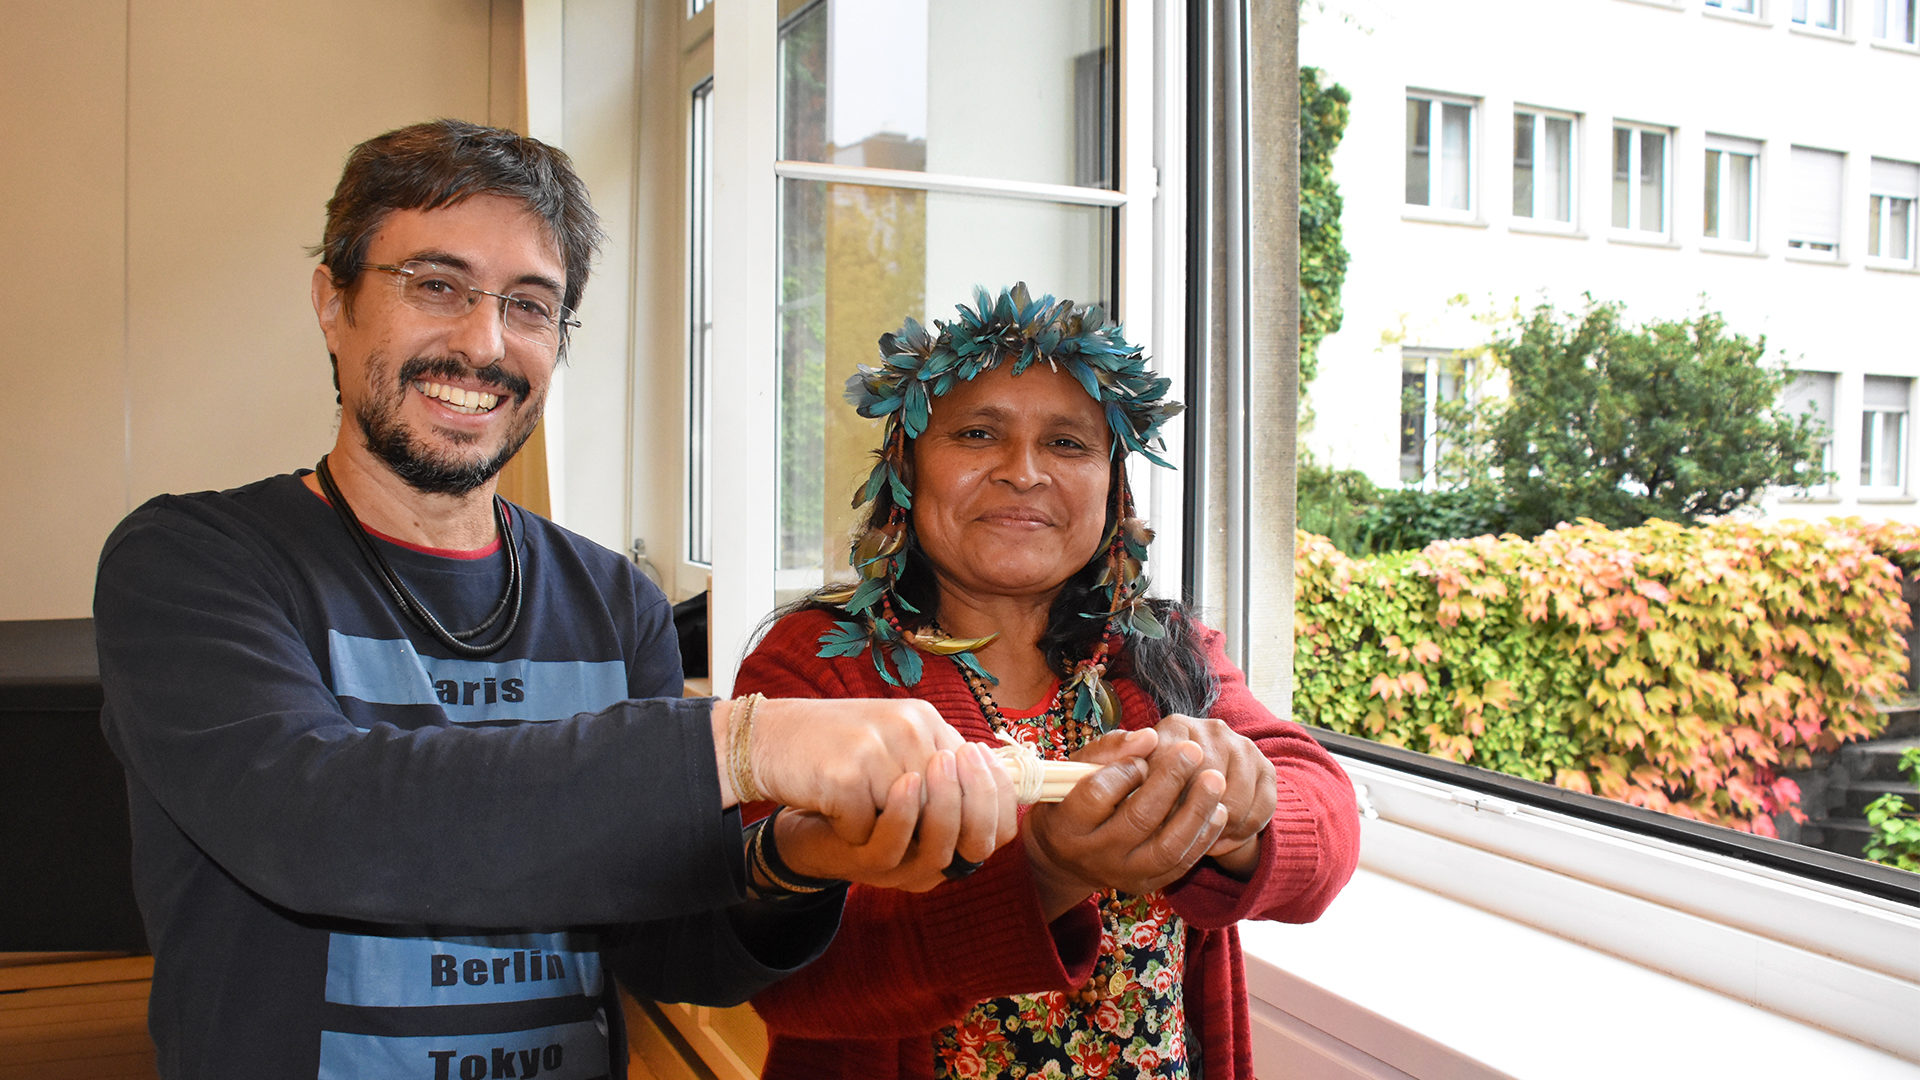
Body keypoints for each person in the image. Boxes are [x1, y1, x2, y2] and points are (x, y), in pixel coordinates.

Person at [93, 119, 1016, 1080]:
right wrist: (743, 743)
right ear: (333, 302)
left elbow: (665, 949)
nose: (484, 343)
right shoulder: (194, 562)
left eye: (531, 306)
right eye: (436, 285)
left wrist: (801, 858)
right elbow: (318, 822)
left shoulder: (614, 598)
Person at [733, 284, 1363, 1079]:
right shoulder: (819, 662)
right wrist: (1046, 871)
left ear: (1113, 487)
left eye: (1067, 443)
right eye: (977, 433)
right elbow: (791, 977)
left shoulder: (1158, 651)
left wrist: (1237, 814)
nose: (1022, 473)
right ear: (906, 469)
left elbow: (1326, 822)